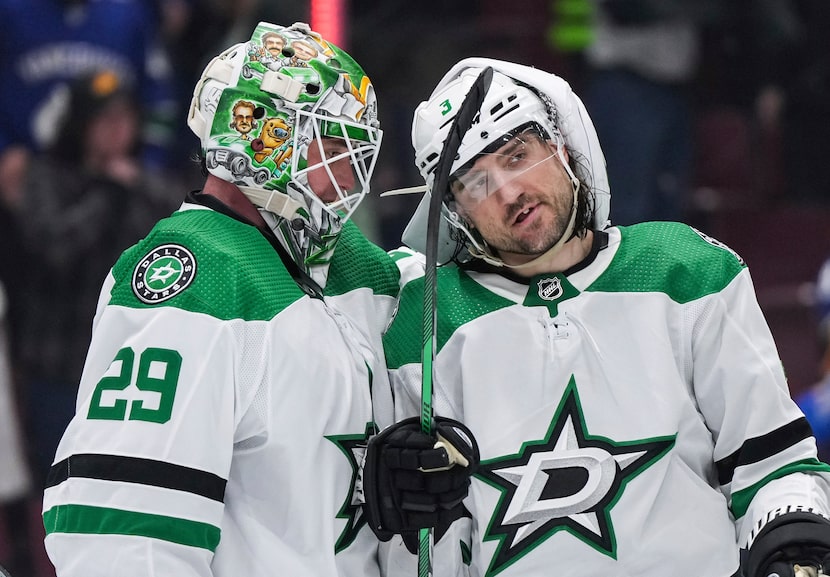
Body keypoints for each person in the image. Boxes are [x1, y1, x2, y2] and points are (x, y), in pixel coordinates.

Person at [40, 21, 467, 577]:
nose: (349, 174)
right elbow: (128, 529)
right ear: (262, 138)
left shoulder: (339, 261)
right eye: (332, 146)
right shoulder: (196, 277)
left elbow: (445, 299)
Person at [374, 57, 830, 577]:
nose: (507, 193)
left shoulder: (684, 271)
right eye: (474, 185)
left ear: (561, 144)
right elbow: (427, 545)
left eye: (517, 155)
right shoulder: (424, 322)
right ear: (452, 211)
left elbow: (772, 463)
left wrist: (792, 539)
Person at [14, 69, 180, 488]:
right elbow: (55, 250)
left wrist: (130, 185)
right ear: (80, 125)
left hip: (129, 368)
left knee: (120, 483)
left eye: (125, 118)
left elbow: (177, 235)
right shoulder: (46, 176)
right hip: (58, 364)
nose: (117, 130)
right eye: (104, 120)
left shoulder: (145, 184)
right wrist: (106, 191)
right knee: (57, 481)